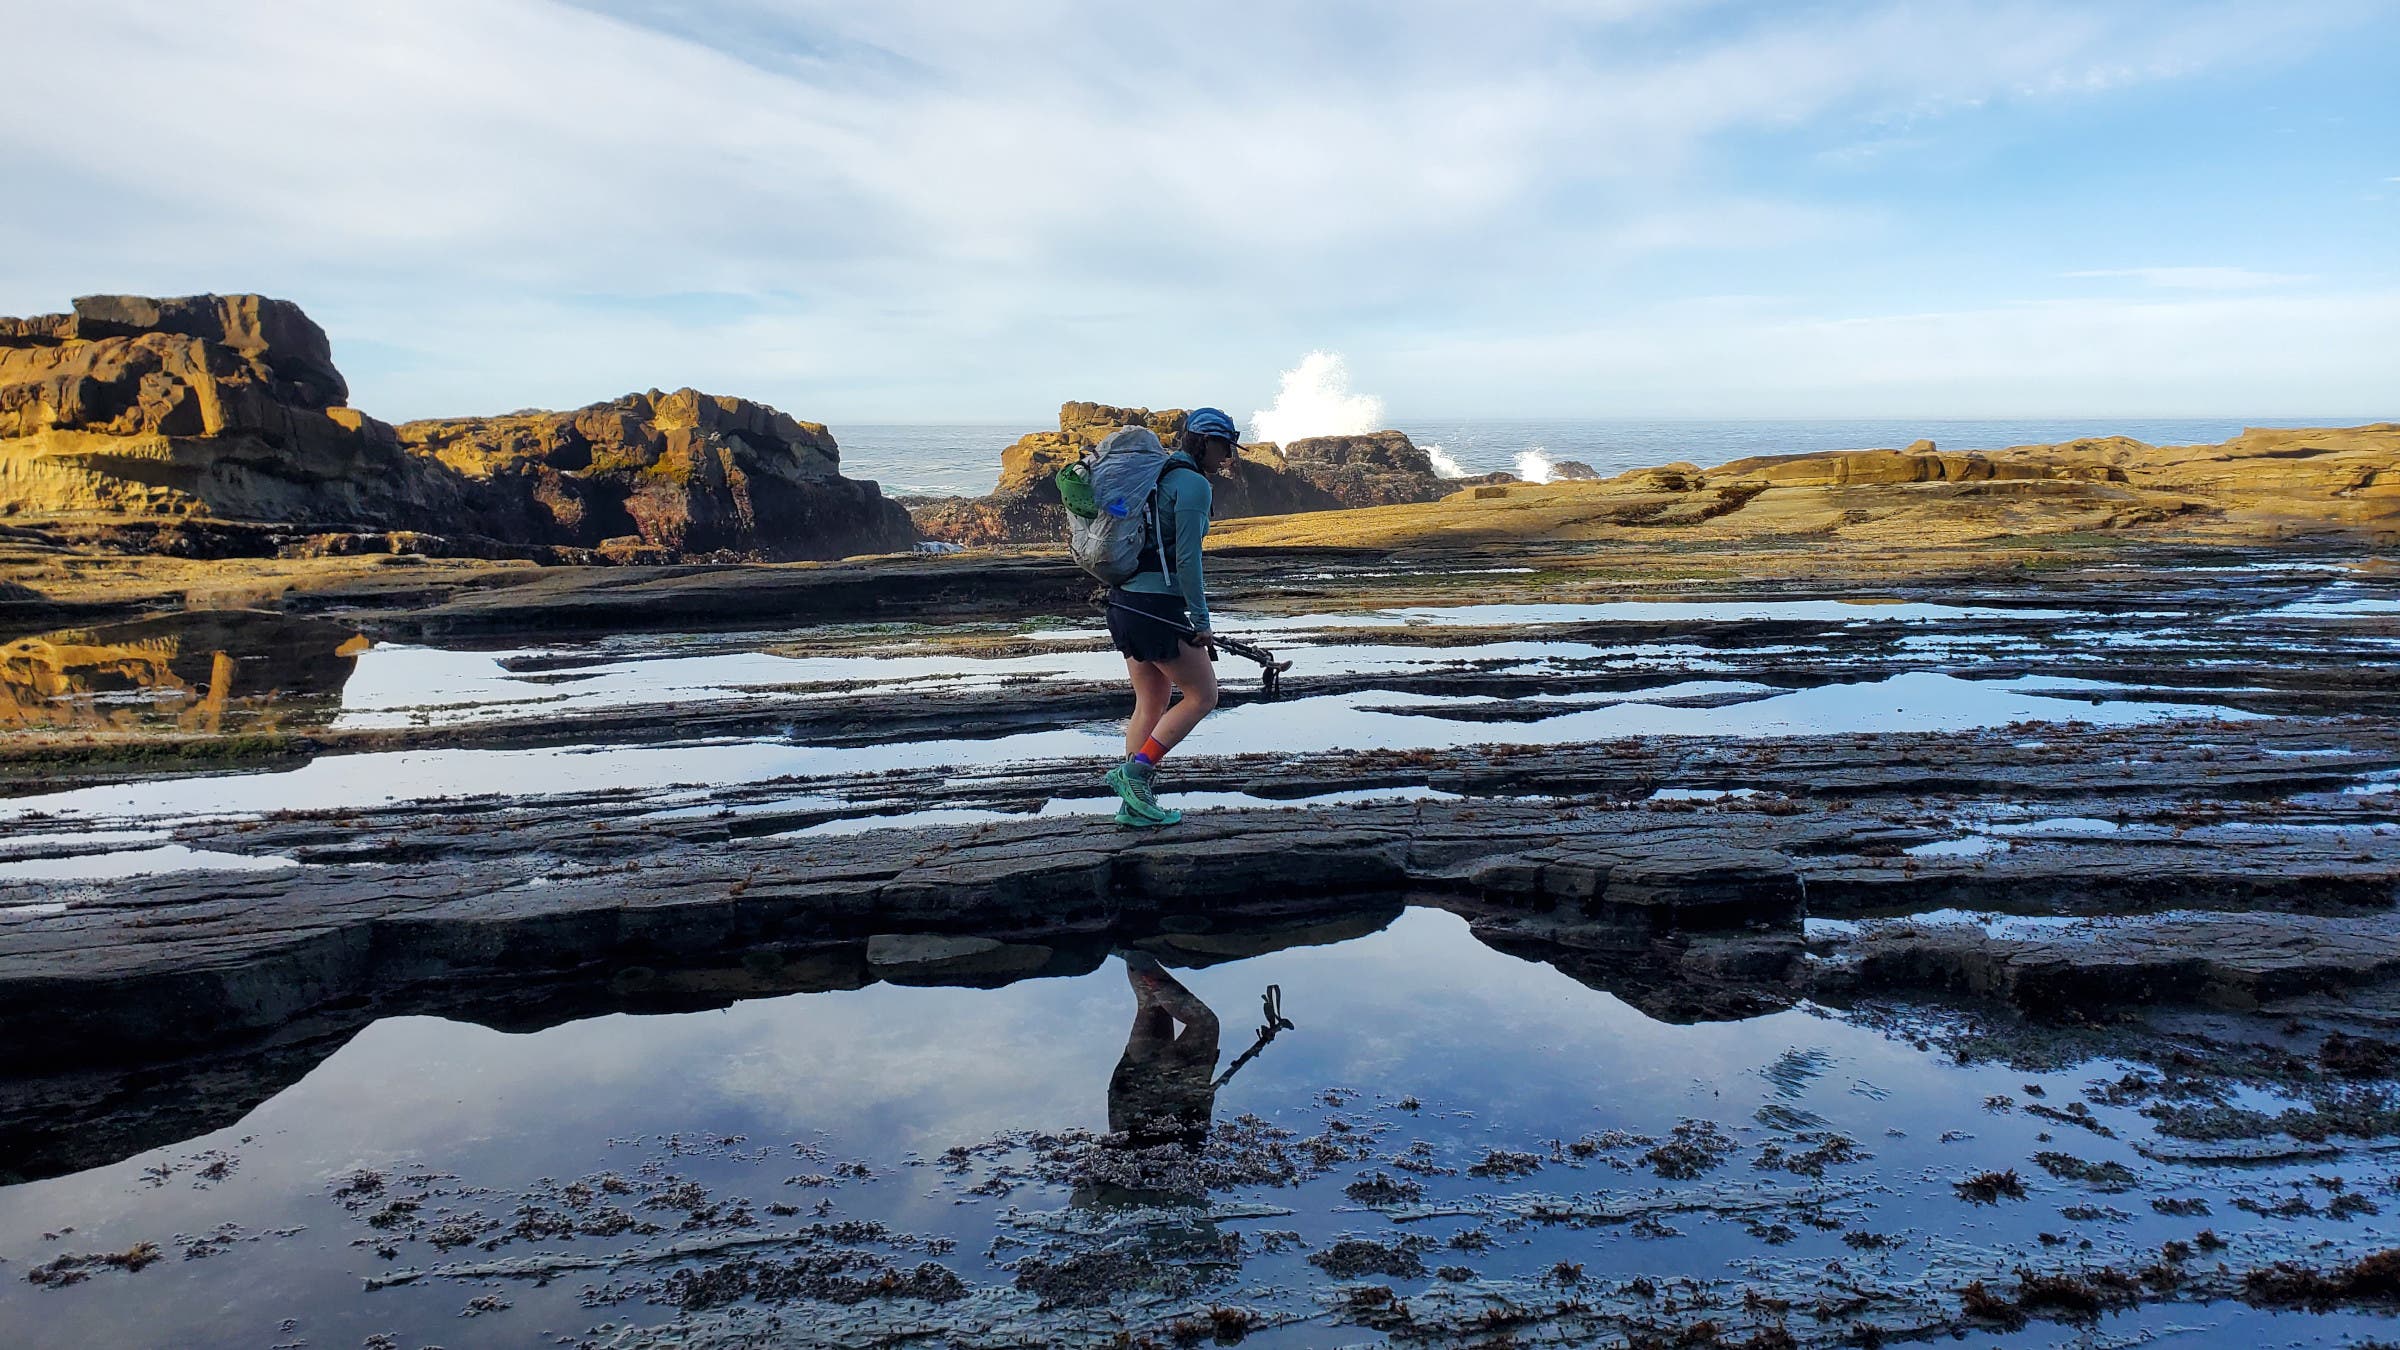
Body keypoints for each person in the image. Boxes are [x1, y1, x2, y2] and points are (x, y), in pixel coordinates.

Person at [1102, 406, 1239, 827]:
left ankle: (1133, 807)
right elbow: (1187, 561)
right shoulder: (1192, 485)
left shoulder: (1153, 477)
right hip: (1156, 609)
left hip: (1123, 602)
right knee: (1203, 696)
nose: (1228, 457)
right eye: (1224, 447)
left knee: (1152, 700)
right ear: (1204, 442)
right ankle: (1136, 776)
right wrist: (1201, 620)